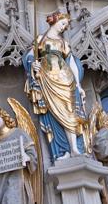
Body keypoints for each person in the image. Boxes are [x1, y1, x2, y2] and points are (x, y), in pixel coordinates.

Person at [23, 12, 86, 160]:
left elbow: (71, 63)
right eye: (62, 24)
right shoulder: (41, 39)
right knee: (55, 113)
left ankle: (75, 148)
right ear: (55, 21)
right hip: (48, 80)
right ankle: (63, 150)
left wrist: (79, 85)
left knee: (70, 112)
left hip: (65, 78)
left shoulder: (63, 43)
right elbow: (30, 56)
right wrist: (33, 64)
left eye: (65, 26)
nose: (63, 28)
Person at [0, 105, 38, 204]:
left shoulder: (18, 133)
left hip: (16, 177)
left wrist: (27, 157)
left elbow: (31, 153)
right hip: (0, 182)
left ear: (3, 117)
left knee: (11, 198)